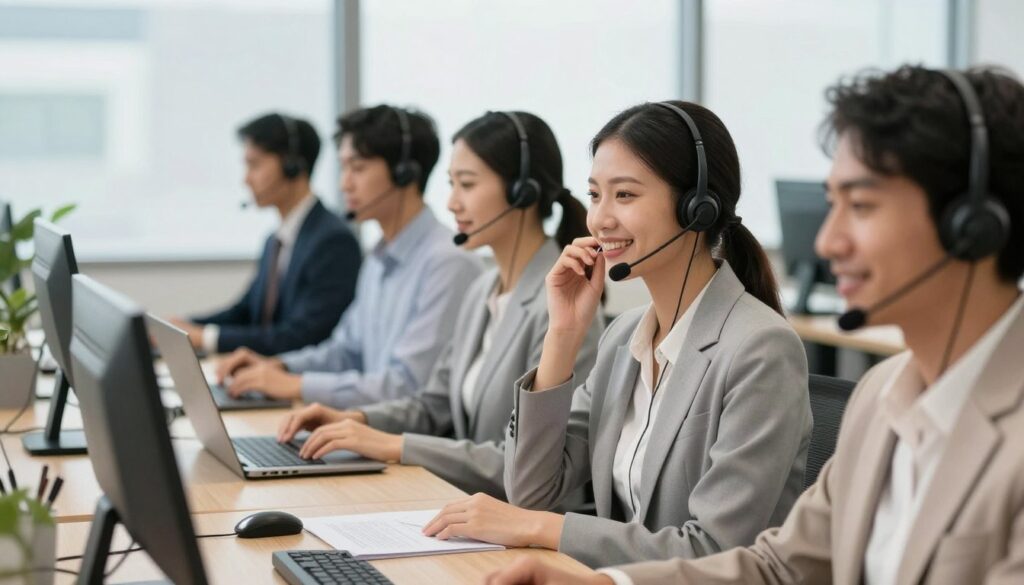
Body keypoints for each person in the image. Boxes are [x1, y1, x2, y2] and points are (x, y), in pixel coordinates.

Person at [484, 65, 1024, 585]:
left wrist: (551, 533)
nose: (827, 243)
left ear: (972, 226)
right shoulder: (882, 395)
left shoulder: (760, 347)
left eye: (860, 206)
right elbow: (780, 567)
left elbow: (722, 546)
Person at [422, 101, 812, 568]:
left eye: (624, 195)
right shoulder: (622, 338)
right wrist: (562, 337)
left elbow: (712, 550)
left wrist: (542, 528)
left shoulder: (760, 348)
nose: (600, 219)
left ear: (697, 207)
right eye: (594, 195)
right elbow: (530, 492)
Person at [275, 111, 604, 497]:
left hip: (525, 523)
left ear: (522, 192)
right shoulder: (482, 291)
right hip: (465, 506)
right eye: (451, 184)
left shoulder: (566, 307)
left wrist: (398, 446)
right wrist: (357, 420)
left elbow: (527, 464)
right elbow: (432, 406)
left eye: (466, 184)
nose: (451, 203)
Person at [216, 105, 483, 408]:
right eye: (343, 168)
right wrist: (280, 366)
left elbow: (407, 386)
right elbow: (346, 351)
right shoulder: (378, 259)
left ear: (404, 173)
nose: (345, 183)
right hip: (368, 429)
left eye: (358, 168)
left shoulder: (448, 263)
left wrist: (295, 384)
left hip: (405, 446)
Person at [171, 113, 361, 355]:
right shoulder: (275, 241)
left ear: (292, 165)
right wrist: (183, 327)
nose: (246, 179)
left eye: (255, 165)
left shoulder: (333, 241)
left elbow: (302, 336)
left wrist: (204, 337)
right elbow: (246, 312)